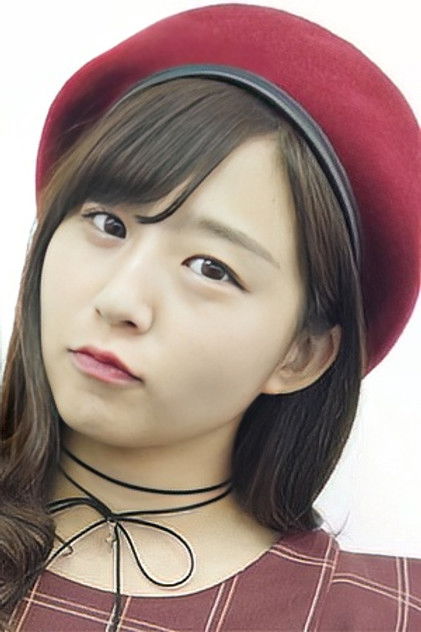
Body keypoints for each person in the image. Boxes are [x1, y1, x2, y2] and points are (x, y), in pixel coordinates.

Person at [1, 3, 419, 631]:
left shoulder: (380, 614)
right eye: (107, 224)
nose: (121, 300)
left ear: (300, 355)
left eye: (210, 268)